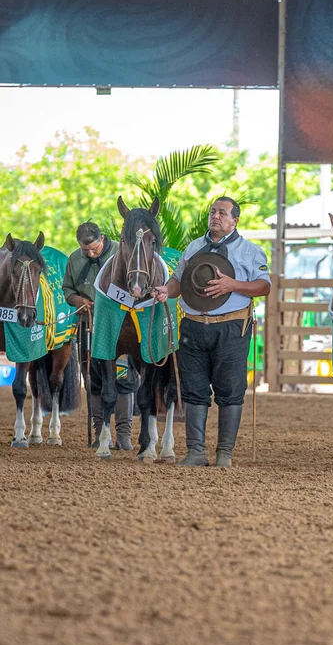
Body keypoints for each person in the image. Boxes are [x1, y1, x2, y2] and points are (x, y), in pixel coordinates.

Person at [152, 197, 272, 468]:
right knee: (193, 389)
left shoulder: (251, 251)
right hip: (193, 326)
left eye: (222, 213)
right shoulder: (194, 247)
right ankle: (196, 452)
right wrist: (165, 291)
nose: (215, 216)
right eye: (212, 212)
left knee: (230, 389)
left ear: (234, 220)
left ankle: (224, 454)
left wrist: (233, 284)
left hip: (231, 326)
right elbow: (178, 282)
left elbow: (264, 287)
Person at [62, 221, 137, 450]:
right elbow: (67, 290)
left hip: (122, 327)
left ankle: (123, 434)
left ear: (102, 239)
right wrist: (78, 301)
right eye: (86, 250)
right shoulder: (74, 259)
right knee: (94, 378)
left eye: (93, 248)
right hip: (89, 325)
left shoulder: (122, 253)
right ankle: (100, 432)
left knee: (123, 378)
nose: (90, 253)